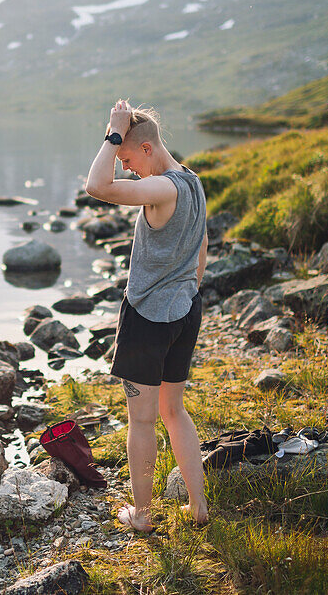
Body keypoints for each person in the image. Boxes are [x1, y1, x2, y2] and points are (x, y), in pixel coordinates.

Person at [85, 98, 209, 531]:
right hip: (184, 312)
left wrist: (111, 134)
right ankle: (198, 506)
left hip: (149, 319)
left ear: (148, 149)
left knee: (142, 418)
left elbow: (97, 187)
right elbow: (202, 247)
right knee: (174, 411)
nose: (126, 166)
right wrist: (189, 290)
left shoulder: (162, 187)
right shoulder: (194, 182)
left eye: (127, 158)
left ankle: (142, 515)